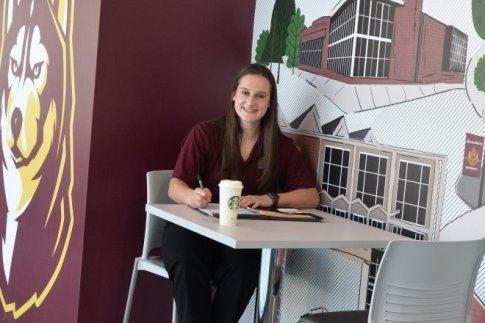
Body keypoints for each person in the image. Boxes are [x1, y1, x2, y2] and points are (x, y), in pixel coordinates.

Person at [161, 63, 319, 323]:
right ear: (234, 94)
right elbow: (175, 185)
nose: (250, 101)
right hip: (194, 231)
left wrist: (270, 199)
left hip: (242, 239)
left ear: (269, 103)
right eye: (245, 93)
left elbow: (310, 196)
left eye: (260, 96)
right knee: (186, 260)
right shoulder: (206, 134)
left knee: (246, 267)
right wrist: (192, 196)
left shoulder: (281, 147)